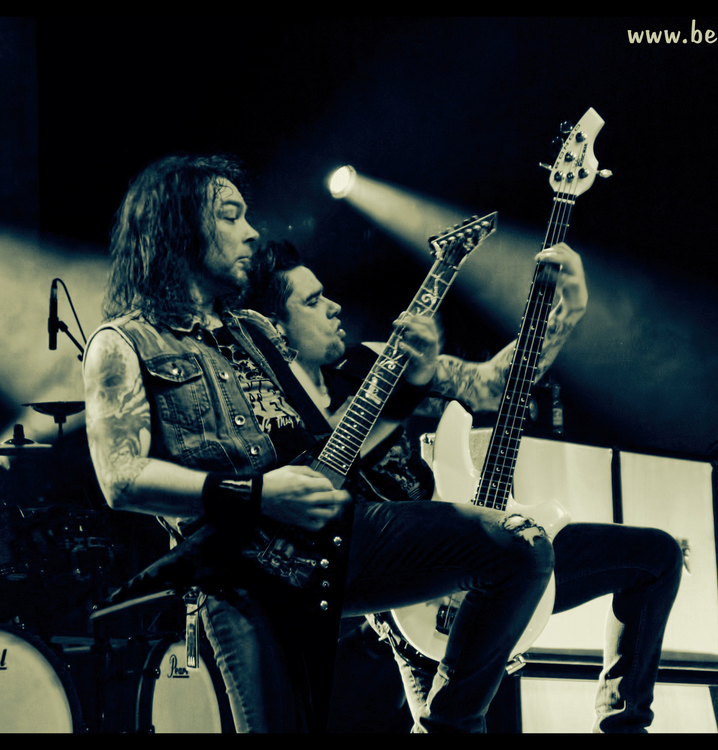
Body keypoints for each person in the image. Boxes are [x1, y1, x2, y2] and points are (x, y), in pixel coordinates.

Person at [82, 154, 555, 733]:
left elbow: (332, 443)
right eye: (230, 215)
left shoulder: (255, 331)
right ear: (176, 225)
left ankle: (448, 725)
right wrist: (258, 495)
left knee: (520, 546)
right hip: (239, 580)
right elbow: (121, 478)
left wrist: (411, 386)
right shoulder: (121, 343)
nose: (251, 232)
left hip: (342, 536)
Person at [244, 239, 684, 733]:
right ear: (271, 326)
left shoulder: (371, 361)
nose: (334, 306)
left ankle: (625, 724)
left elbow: (492, 385)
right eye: (312, 301)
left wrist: (566, 312)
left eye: (326, 294)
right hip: (412, 595)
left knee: (656, 557)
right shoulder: (261, 404)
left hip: (477, 544)